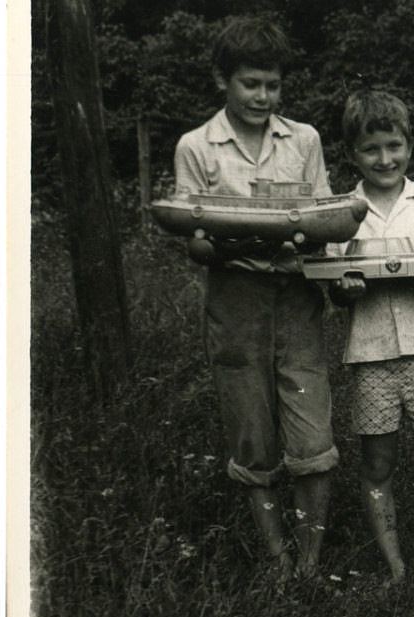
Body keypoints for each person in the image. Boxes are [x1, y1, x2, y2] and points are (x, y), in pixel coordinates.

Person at [171, 16, 336, 584]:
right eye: (251, 84)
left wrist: (302, 236)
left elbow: (321, 221)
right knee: (252, 431)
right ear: (224, 80)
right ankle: (278, 561)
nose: (263, 96)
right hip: (234, 300)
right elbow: (191, 239)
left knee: (312, 432)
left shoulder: (305, 139)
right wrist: (214, 244)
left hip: (296, 296)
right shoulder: (196, 147)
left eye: (272, 85)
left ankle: (312, 562)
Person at [326, 90, 414, 599]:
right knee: (378, 465)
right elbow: (333, 279)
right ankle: (395, 567)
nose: (385, 159)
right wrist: (342, 289)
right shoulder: (341, 213)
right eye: (371, 150)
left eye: (394, 145)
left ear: (409, 145)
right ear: (351, 155)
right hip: (370, 355)